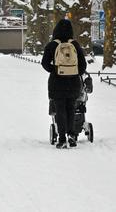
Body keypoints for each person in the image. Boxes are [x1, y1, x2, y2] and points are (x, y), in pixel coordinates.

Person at [41, 19, 87, 149]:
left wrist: (55, 70)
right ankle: (72, 135)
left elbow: (44, 63)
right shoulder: (75, 45)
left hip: (57, 83)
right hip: (73, 83)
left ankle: (61, 139)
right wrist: (74, 72)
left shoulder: (52, 45)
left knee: (60, 110)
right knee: (71, 108)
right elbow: (83, 66)